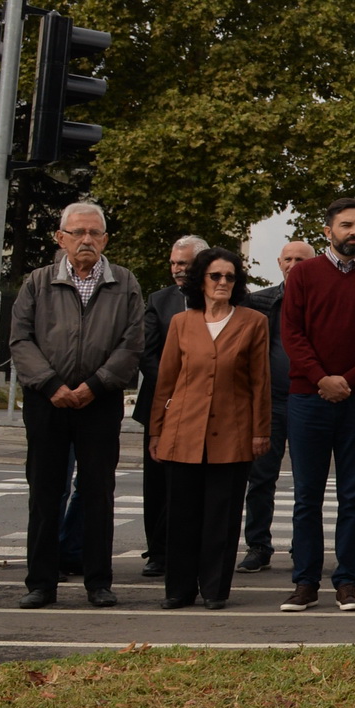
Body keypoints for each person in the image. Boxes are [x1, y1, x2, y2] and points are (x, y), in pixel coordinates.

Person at [10, 202, 144, 609]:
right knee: (45, 491)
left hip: (99, 402)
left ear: (105, 239)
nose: (86, 240)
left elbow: (132, 342)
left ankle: (99, 582)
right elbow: (20, 339)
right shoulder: (37, 281)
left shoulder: (124, 282)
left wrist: (96, 385)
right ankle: (41, 584)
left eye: (94, 233)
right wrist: (51, 384)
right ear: (61, 238)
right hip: (46, 401)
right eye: (78, 232)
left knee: (98, 492)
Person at [278, 198, 355, 614]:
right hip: (308, 398)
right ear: (328, 230)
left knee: (354, 496)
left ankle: (348, 581)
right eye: (347, 225)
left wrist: (348, 380)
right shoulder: (304, 275)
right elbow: (291, 334)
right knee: (306, 496)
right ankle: (305, 583)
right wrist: (320, 378)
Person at [146, 247, 270, 609]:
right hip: (182, 430)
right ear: (201, 279)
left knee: (222, 514)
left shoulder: (253, 322)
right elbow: (166, 381)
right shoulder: (182, 324)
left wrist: (260, 430)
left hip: (232, 433)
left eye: (230, 276)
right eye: (216, 276)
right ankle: (179, 589)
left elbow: (260, 382)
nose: (223, 282)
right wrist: (156, 430)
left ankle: (215, 589)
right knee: (181, 514)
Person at [236, 240, 311, 573]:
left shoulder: (320, 301)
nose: (293, 264)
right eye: (288, 259)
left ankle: (303, 547)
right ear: (279, 263)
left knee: (306, 480)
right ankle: (258, 546)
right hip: (268, 403)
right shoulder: (259, 302)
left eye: (300, 259)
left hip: (308, 400)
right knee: (261, 478)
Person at [132, 234, 203, 578]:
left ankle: (196, 548)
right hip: (163, 404)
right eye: (174, 263)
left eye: (184, 264)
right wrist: (176, 388)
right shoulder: (159, 301)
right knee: (157, 482)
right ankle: (157, 551)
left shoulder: (222, 298)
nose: (177, 270)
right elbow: (147, 352)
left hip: (207, 407)